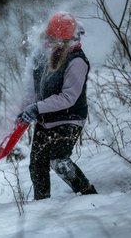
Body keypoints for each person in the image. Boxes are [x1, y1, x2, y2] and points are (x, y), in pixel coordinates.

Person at [17, 12, 97, 200]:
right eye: (48, 38)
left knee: (59, 161)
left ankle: (89, 195)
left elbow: (68, 97)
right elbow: (35, 88)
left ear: (66, 39)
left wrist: (37, 108)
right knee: (37, 163)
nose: (49, 43)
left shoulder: (76, 61)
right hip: (46, 118)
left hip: (70, 118)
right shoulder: (46, 53)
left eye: (54, 40)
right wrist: (26, 107)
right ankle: (42, 203)